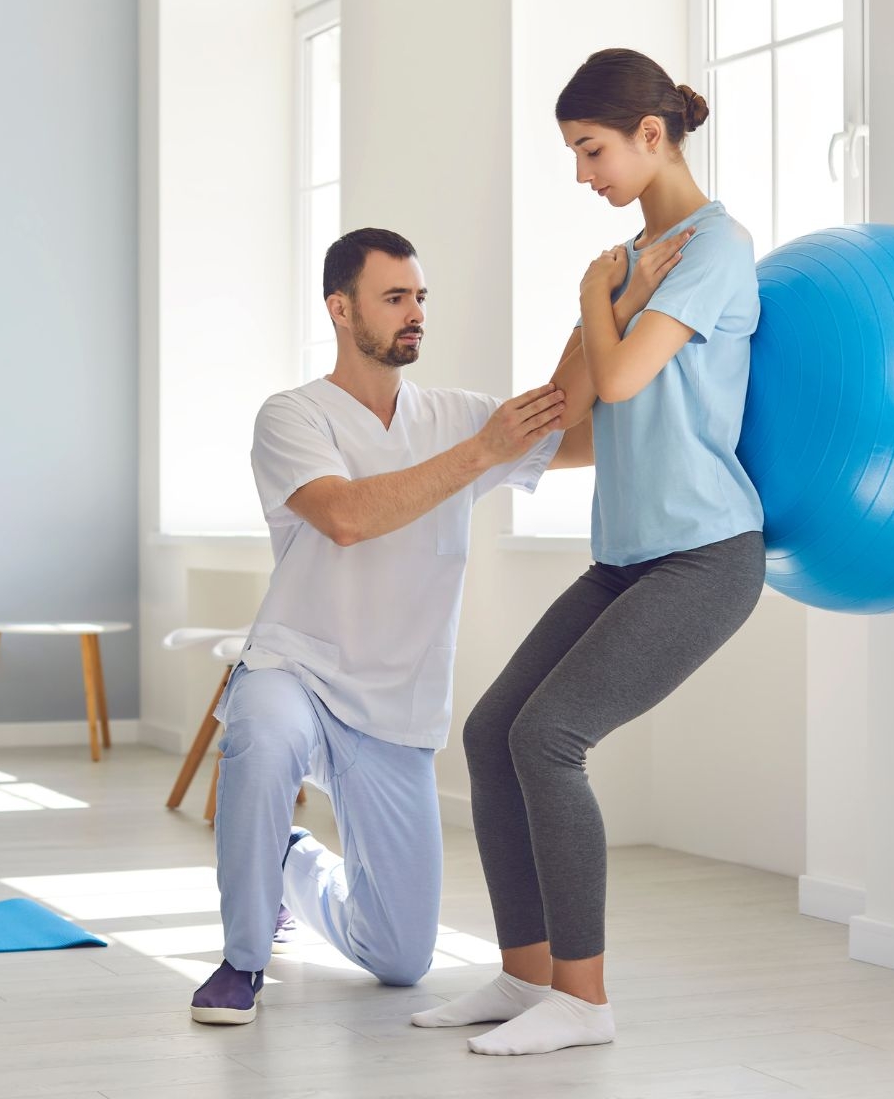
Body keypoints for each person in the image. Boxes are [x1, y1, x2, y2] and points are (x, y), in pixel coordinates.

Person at [415, 48, 767, 1056]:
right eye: (574, 153)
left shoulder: (716, 248)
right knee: (493, 732)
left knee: (549, 737)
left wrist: (592, 290)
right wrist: (605, 288)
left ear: (651, 136)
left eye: (591, 149)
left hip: (706, 553)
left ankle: (585, 995)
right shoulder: (627, 261)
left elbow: (620, 383)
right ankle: (527, 976)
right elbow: (573, 402)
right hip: (627, 556)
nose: (584, 174)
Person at [190, 226, 597, 1025]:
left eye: (419, 298)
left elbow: (571, 430)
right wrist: (481, 453)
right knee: (264, 740)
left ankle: (292, 863)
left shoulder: (457, 416)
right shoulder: (292, 416)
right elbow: (344, 516)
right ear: (340, 309)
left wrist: (597, 314)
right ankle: (241, 960)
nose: (415, 314)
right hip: (295, 667)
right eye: (394, 298)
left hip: (396, 702)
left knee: (404, 960)